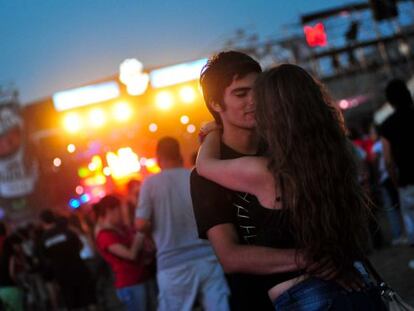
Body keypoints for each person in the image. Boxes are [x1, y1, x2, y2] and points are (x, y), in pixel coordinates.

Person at [196, 64, 386, 310]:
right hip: (357, 289)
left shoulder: (267, 170)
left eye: (259, 96)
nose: (254, 102)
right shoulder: (333, 157)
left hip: (312, 299)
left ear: (274, 112)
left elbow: (205, 165)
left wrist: (211, 131)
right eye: (243, 94)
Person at [136, 136, 230, 311]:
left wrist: (153, 229)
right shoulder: (194, 176)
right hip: (207, 257)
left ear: (158, 158)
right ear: (178, 154)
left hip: (172, 264)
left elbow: (141, 224)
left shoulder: (150, 184)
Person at [379, 78, 414, 268]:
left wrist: (395, 181)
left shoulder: (387, 126)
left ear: (390, 101)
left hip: (407, 181)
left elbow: (388, 160)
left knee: (412, 220)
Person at [95, 195, 150, 311]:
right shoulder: (104, 236)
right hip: (130, 284)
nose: (122, 214)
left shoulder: (122, 228)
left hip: (141, 278)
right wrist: (140, 233)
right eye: (119, 210)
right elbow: (130, 254)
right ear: (109, 211)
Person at [39, 210, 96, 310]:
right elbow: (80, 245)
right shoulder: (66, 231)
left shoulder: (43, 239)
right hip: (78, 268)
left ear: (42, 222)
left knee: (72, 302)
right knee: (89, 299)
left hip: (62, 275)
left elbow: (45, 258)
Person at [0, 234, 25, 311]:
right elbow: (12, 274)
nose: (20, 247)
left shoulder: (1, 257)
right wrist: (19, 284)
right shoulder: (12, 256)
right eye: (19, 244)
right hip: (12, 290)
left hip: (2, 291)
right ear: (13, 245)